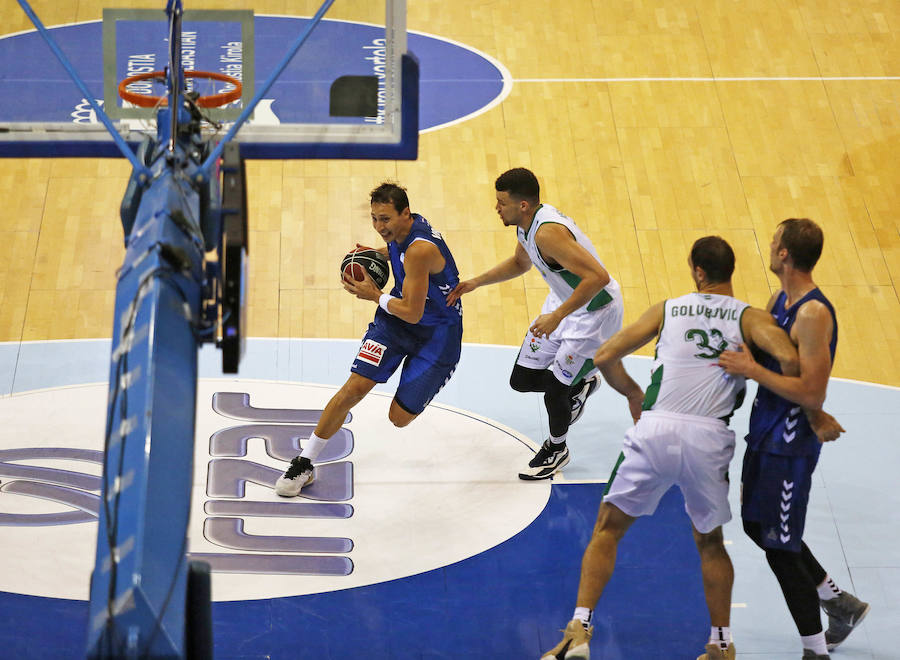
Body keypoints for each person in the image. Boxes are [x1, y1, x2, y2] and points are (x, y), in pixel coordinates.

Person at [541, 236, 808, 660]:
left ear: (698, 272)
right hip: (708, 438)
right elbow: (793, 362)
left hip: (655, 429)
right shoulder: (750, 318)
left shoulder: (669, 309)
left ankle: (579, 630)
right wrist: (754, 368)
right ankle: (720, 644)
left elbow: (606, 353)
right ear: (729, 271)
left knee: (607, 530)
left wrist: (632, 393)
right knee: (710, 543)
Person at [717, 218, 868, 659]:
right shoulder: (779, 299)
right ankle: (839, 602)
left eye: (773, 241)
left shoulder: (813, 313)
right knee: (755, 525)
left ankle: (815, 650)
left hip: (790, 444)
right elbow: (764, 353)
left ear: (785, 254)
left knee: (780, 548)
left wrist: (753, 370)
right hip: (764, 432)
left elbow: (812, 391)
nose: (768, 246)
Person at [446, 168, 642, 480]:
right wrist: (475, 283)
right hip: (565, 299)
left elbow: (598, 278)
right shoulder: (525, 227)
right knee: (522, 379)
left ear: (523, 205)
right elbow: (519, 263)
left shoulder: (547, 234)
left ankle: (557, 448)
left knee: (555, 388)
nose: (496, 208)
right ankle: (582, 383)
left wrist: (557, 316)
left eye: (501, 203)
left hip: (594, 311)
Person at [275, 182, 463, 496]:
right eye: (375, 218)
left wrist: (374, 295)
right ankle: (304, 462)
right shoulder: (406, 229)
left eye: (385, 219)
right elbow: (396, 253)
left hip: (436, 335)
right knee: (354, 388)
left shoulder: (420, 249)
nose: (379, 226)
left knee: (398, 418)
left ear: (405, 214)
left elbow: (413, 312)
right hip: (395, 323)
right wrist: (372, 256)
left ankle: (432, 379)